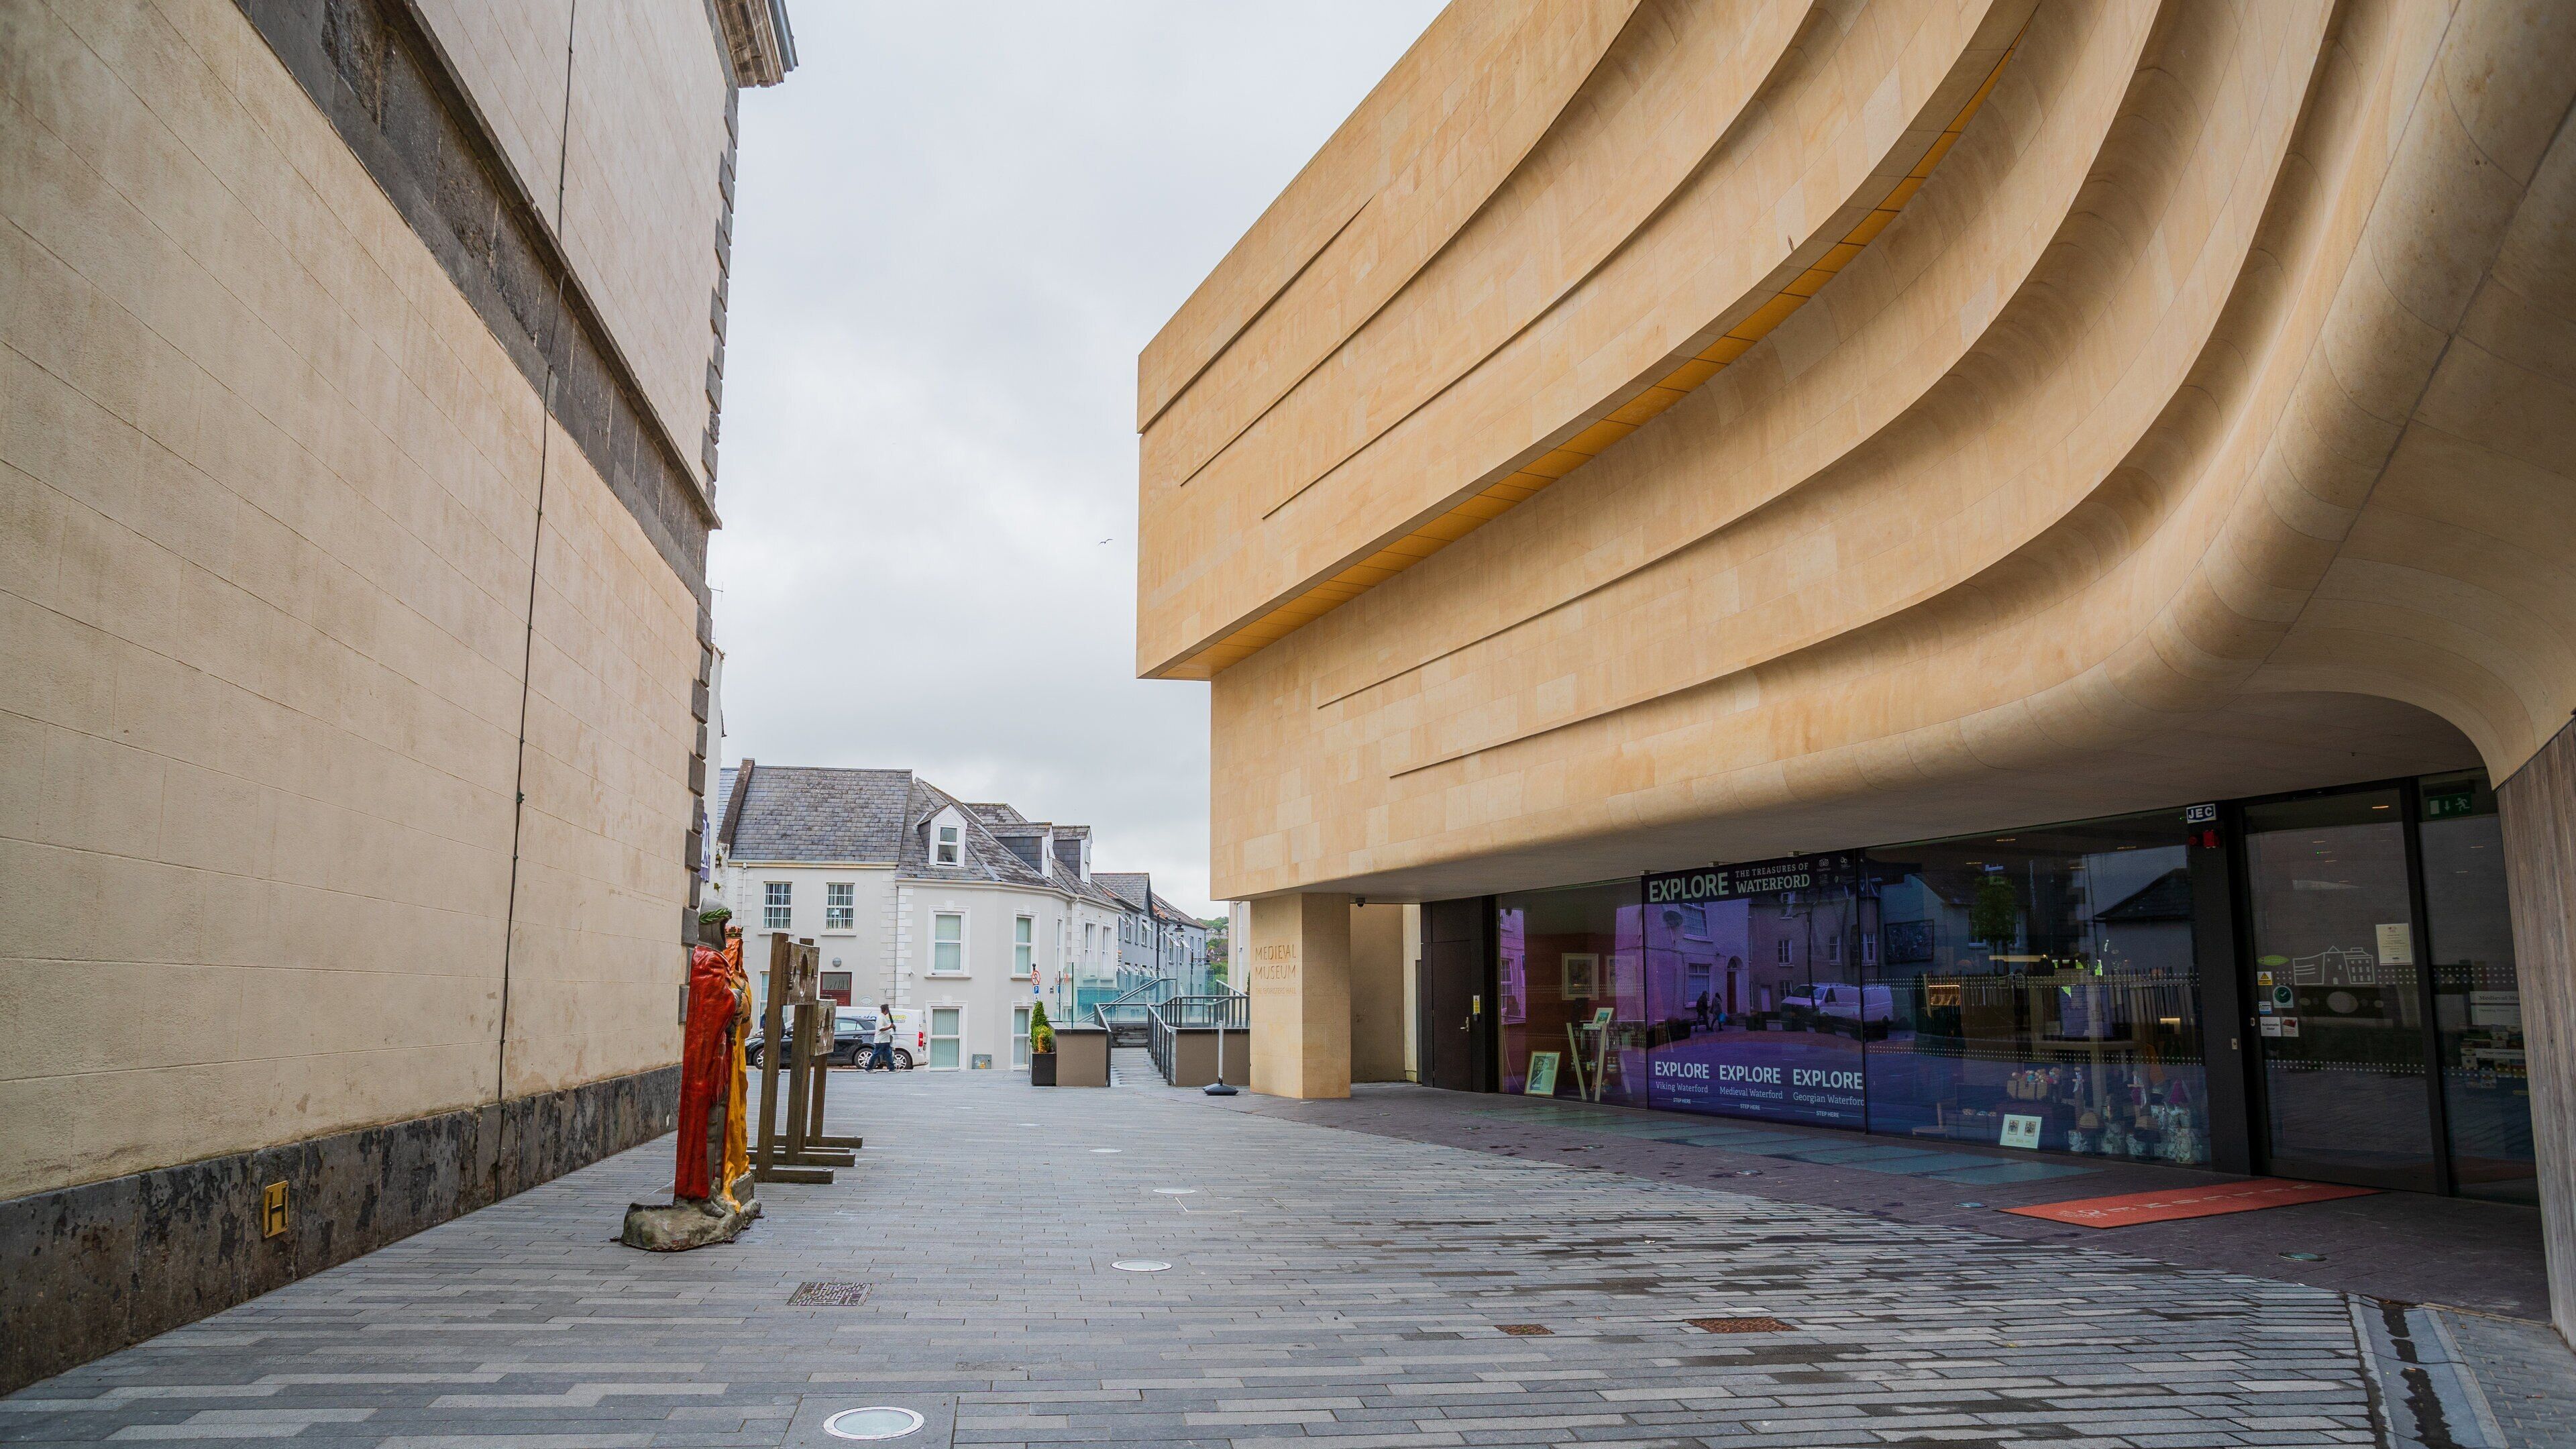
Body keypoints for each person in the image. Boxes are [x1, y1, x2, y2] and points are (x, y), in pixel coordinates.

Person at [865, 1001, 897, 1071]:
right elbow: (881, 1029)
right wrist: (890, 1027)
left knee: (888, 1054)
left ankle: (891, 1068)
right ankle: (869, 1068)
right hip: (881, 1040)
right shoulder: (881, 1018)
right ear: (886, 1010)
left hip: (885, 1040)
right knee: (876, 1054)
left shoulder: (883, 1017)